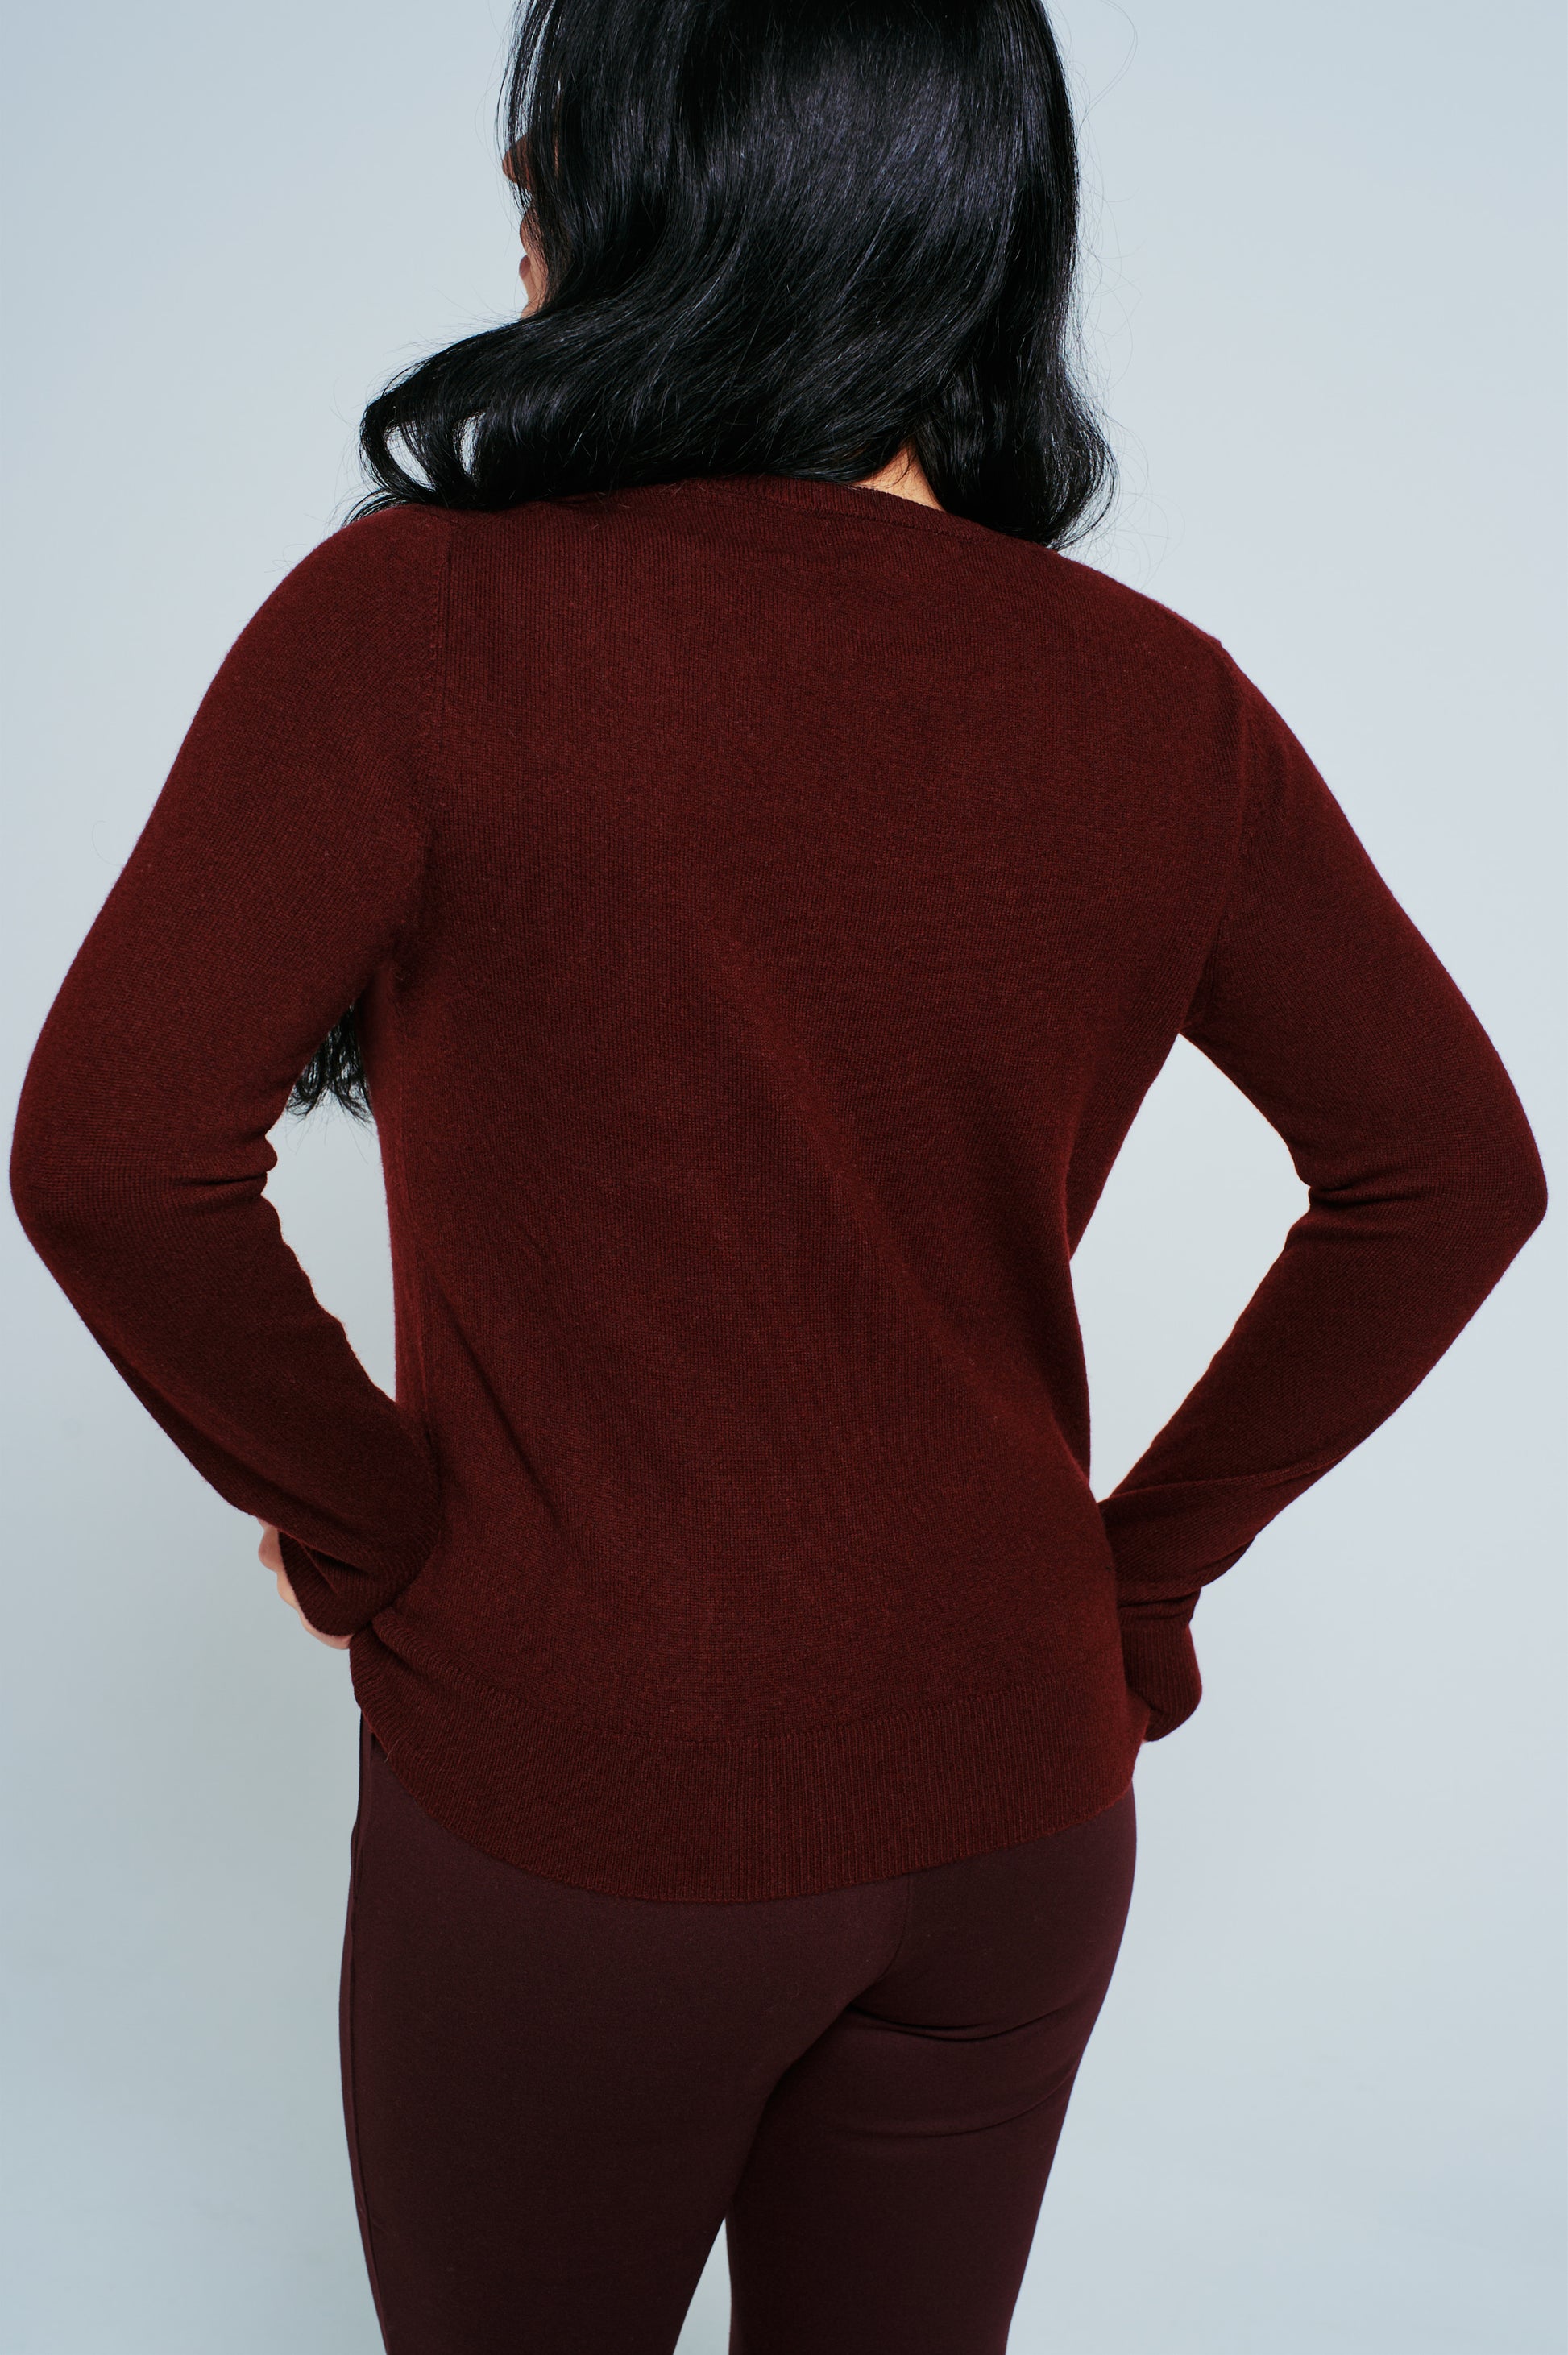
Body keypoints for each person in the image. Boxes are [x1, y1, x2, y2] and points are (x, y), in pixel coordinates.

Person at [8, 0, 1547, 2347]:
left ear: (652, 194)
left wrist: (372, 1534)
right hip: (1019, 1814)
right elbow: (1454, 1171)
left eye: (555, 143)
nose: (517, 201)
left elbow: (112, 1156)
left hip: (586, 1816)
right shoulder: (1162, 699)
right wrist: (1134, 1585)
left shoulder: (422, 621)